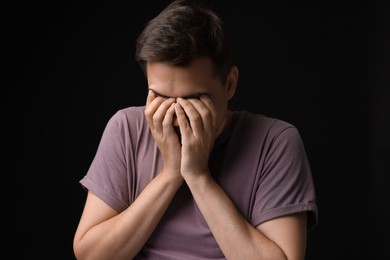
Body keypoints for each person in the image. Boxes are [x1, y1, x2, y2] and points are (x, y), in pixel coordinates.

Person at [73, 0, 318, 259]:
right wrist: (170, 174)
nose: (176, 116)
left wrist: (199, 177)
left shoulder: (275, 142)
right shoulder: (126, 129)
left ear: (230, 84)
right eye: (160, 97)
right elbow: (92, 256)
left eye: (193, 100)